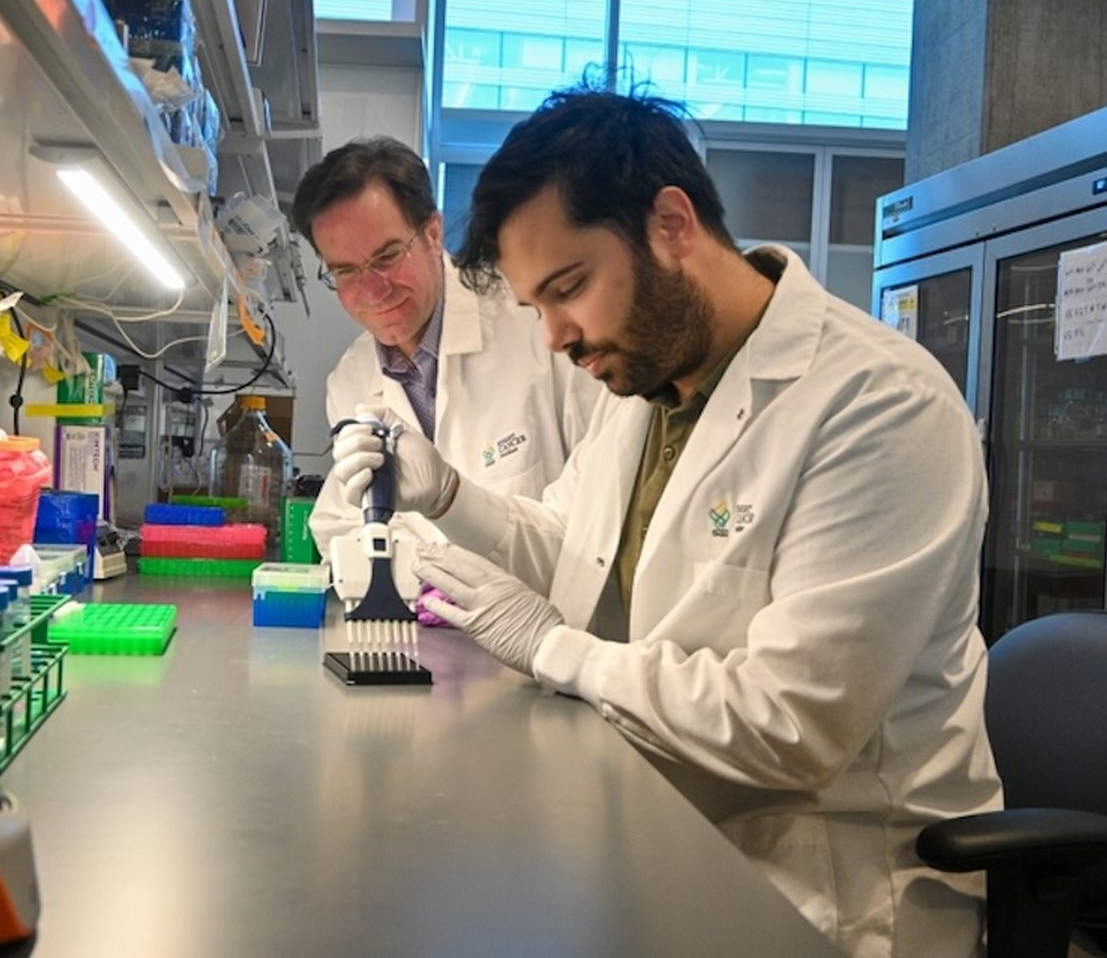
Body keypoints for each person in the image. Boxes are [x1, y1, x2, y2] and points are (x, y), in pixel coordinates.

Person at [328, 91, 1002, 956]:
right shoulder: (651, 387)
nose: (556, 339)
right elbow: (566, 548)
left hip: (827, 892)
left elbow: (791, 726)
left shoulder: (877, 405)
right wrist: (451, 496)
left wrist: (554, 650)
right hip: (656, 832)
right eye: (536, 306)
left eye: (568, 288)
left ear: (673, 225)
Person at [293, 136, 600, 559]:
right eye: (345, 271)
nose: (373, 290)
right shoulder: (351, 380)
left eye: (387, 257)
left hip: (547, 617)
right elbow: (350, 525)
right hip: (419, 619)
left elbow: (604, 505)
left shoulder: (537, 325)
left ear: (433, 233)